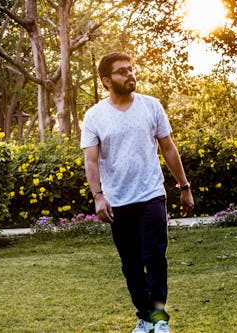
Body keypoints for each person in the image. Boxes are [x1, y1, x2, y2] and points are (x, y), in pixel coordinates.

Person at [80, 52, 194, 333]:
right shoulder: (94, 116)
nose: (130, 75)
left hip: (151, 196)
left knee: (155, 259)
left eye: (131, 69)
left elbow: (168, 148)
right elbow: (91, 160)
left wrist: (184, 186)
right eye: (122, 71)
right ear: (107, 81)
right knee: (131, 266)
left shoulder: (151, 106)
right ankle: (145, 318)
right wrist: (98, 196)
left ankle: (159, 321)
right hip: (117, 202)